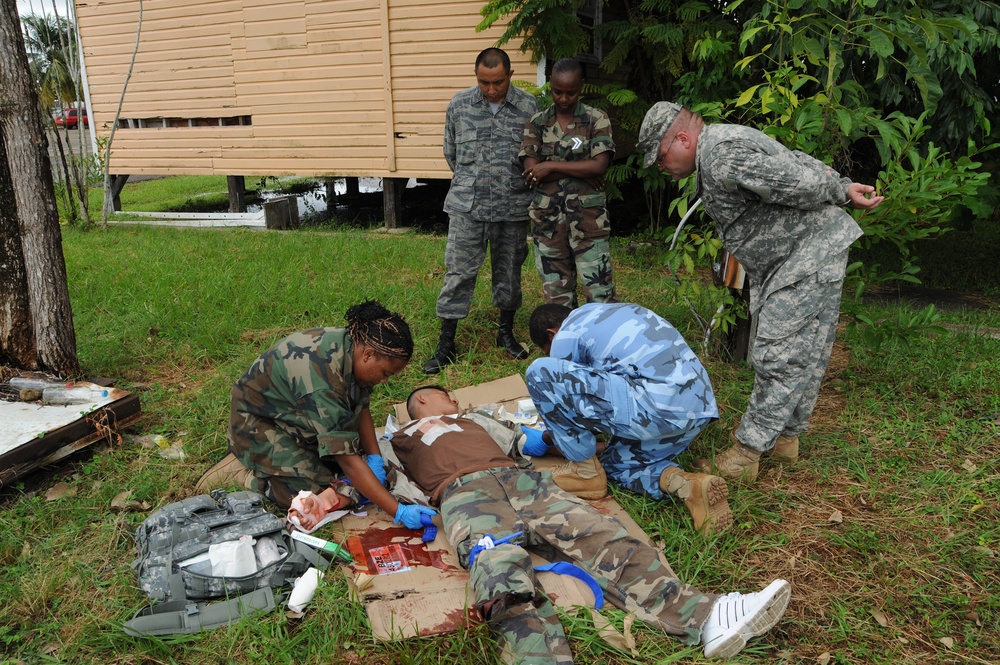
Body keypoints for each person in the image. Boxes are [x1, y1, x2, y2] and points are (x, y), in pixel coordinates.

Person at [381, 385, 791, 663]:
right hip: (464, 496)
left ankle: (708, 618)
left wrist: (552, 440)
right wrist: (398, 506)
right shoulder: (396, 439)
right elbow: (375, 479)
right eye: (443, 396)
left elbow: (525, 442)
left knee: (601, 533)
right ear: (423, 401)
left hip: (522, 480)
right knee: (498, 570)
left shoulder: (478, 420)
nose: (450, 400)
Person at [636, 102, 885, 481]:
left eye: (660, 156)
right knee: (808, 349)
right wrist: (843, 186)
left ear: (683, 139)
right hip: (806, 253)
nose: (661, 166)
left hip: (805, 254)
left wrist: (841, 190)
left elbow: (796, 182)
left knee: (778, 354)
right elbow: (795, 160)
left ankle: (747, 453)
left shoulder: (721, 156)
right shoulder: (723, 142)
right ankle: (786, 441)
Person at [195, 300, 437, 532]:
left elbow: (361, 406)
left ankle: (296, 457)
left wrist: (374, 459)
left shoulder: (355, 347)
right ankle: (244, 472)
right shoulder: (324, 382)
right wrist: (398, 512)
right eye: (385, 373)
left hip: (292, 414)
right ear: (369, 355)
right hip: (255, 424)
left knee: (356, 474)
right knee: (317, 494)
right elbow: (348, 462)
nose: (384, 380)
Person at [524, 302, 729, 534]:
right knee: (613, 466)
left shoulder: (566, 335)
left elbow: (570, 401)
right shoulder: (609, 312)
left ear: (551, 334)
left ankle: (584, 473)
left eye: (546, 349)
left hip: (654, 408)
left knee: (540, 374)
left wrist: (549, 437)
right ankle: (686, 485)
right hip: (696, 411)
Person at [423, 47, 539, 374]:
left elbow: (535, 153)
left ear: (510, 76)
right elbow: (451, 153)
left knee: (509, 272)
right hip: (467, 206)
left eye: (498, 82)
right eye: (484, 82)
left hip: (512, 205)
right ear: (476, 77)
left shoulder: (528, 107)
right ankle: (446, 342)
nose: (491, 89)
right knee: (458, 272)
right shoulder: (459, 105)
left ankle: (505, 333)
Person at [520, 58, 617, 308]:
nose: (563, 98)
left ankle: (603, 344)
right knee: (556, 297)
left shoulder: (597, 119)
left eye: (571, 92)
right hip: (548, 222)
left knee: (600, 292)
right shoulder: (538, 122)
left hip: (588, 220)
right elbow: (531, 172)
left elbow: (599, 165)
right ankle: (566, 345)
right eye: (557, 91)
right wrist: (580, 169)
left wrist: (549, 165)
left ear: (581, 87)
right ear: (550, 86)